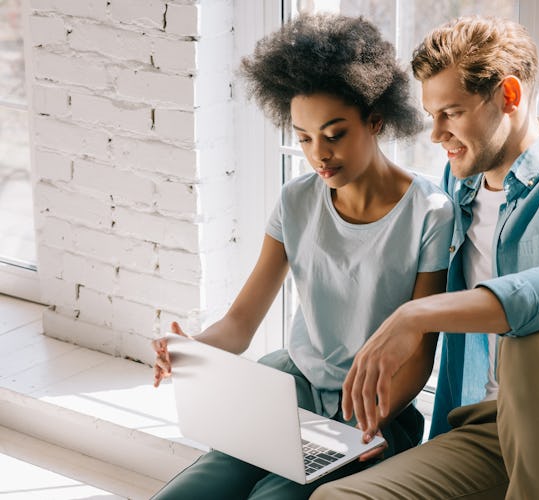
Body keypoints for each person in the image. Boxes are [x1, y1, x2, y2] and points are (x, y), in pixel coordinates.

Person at [312, 16, 539, 500]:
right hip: (494, 427)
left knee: (534, 342)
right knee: (336, 498)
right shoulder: (456, 189)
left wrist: (417, 315)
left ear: (508, 96)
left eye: (452, 112)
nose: (436, 133)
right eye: (431, 114)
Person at [149, 13, 455, 500]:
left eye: (335, 134)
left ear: (375, 120)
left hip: (374, 413)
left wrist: (364, 427)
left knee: (271, 498)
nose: (319, 155)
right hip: (286, 390)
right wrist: (190, 352)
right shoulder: (296, 200)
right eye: (305, 137)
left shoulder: (431, 213)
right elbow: (241, 322)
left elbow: (419, 356)